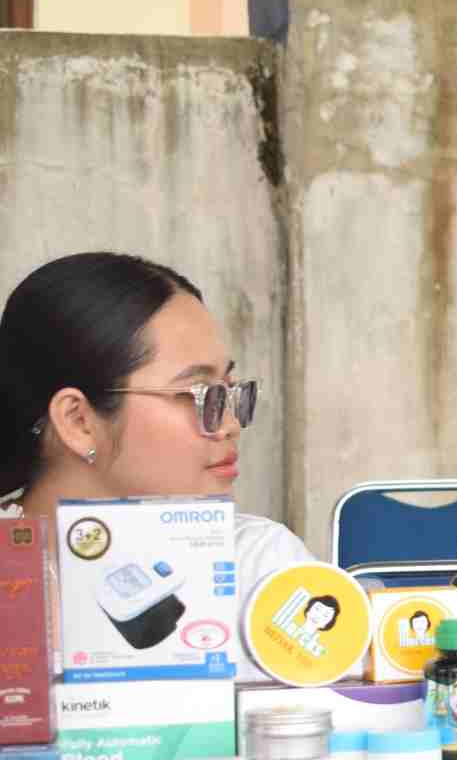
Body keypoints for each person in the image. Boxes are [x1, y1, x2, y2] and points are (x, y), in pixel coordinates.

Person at [1, 253, 314, 681]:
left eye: (228, 390)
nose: (229, 424)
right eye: (197, 393)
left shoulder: (262, 568)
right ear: (78, 421)